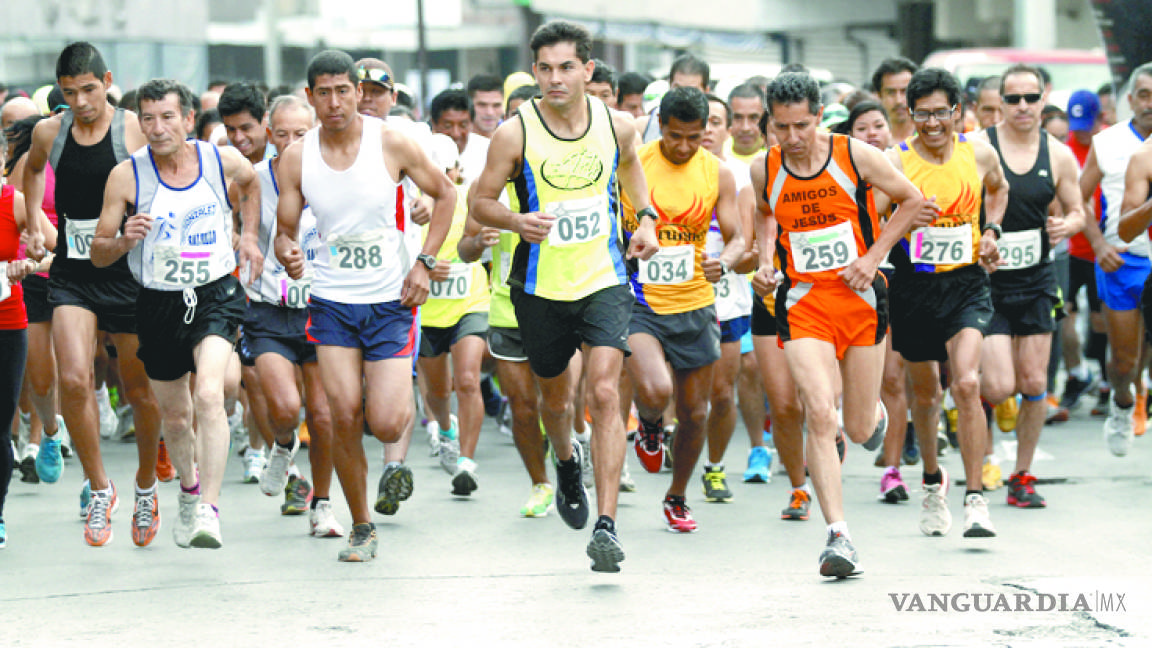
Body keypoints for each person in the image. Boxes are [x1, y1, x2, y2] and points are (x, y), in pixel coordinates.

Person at [471, 20, 659, 572]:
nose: (555, 78)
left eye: (566, 67)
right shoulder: (515, 133)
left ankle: (606, 525)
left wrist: (644, 218)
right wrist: (515, 219)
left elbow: (631, 173)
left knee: (603, 394)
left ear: (588, 71)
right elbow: (481, 202)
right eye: (545, 69)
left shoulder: (618, 125)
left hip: (603, 278)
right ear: (535, 72)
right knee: (556, 401)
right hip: (539, 287)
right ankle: (565, 460)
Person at [274, 49, 456, 562]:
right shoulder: (297, 157)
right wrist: (286, 251)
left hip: (391, 299)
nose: (334, 103)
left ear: (358, 92)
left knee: (386, 421)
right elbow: (285, 233)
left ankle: (399, 411)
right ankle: (361, 525)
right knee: (341, 414)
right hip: (332, 301)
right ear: (310, 98)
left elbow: (446, 196)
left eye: (343, 91)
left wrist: (423, 261)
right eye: (323, 93)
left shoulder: (391, 140)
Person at [751, 71, 928, 577]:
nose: (792, 139)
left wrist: (873, 256)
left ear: (819, 116)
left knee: (857, 425)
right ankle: (839, 536)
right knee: (819, 414)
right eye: (781, 128)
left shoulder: (854, 155)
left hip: (861, 299)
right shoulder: (765, 167)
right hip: (804, 300)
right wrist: (767, 261)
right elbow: (766, 214)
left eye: (801, 126)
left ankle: (870, 414)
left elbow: (911, 200)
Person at [90, 78, 260, 550]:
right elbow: (99, 253)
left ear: (188, 119)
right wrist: (124, 239)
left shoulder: (218, 159)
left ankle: (208, 508)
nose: (158, 127)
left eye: (168, 117)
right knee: (177, 416)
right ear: (139, 122)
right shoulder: (128, 176)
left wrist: (248, 237)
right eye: (148, 118)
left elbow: (251, 184)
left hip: (214, 292)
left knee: (209, 394)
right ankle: (187, 490)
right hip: (158, 300)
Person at [22, 41, 163, 548]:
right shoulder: (49, 132)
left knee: (140, 389)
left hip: (129, 274)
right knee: (75, 379)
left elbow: (168, 178)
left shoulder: (131, 129)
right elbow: (32, 170)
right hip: (73, 274)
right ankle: (100, 488)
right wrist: (37, 220)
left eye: (87, 90)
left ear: (106, 80)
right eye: (68, 93)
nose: (80, 103)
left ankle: (146, 485)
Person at [885, 67, 1009, 539]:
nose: (933, 123)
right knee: (926, 395)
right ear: (910, 114)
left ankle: (975, 498)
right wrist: (905, 222)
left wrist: (992, 232)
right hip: (914, 288)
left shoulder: (977, 150)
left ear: (958, 111)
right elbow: (873, 217)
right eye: (922, 114)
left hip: (966, 283)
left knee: (968, 381)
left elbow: (999, 189)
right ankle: (934, 483)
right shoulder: (893, 160)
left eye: (941, 113)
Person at [621, 86, 745, 530]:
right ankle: (651, 423)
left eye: (695, 137)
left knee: (696, 413)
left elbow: (736, 237)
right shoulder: (634, 162)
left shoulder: (718, 173)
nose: (685, 146)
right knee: (655, 390)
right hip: (639, 300)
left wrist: (724, 262)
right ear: (661, 127)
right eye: (676, 136)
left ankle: (677, 496)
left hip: (694, 300)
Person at [972, 64, 1085, 509]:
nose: (1023, 107)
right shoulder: (981, 148)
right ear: (1000, 102)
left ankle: (1022, 473)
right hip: (990, 280)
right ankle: (977, 434)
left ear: (1043, 100)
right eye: (1013, 98)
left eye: (1031, 98)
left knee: (1036, 379)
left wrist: (1066, 225)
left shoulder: (1057, 154)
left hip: (1037, 276)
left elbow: (1078, 209)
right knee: (1000, 386)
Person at [236, 95, 342, 536]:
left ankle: (322, 503)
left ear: (315, 129)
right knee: (285, 407)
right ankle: (282, 444)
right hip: (267, 308)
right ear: (267, 132)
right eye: (282, 134)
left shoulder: (334, 175)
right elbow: (232, 222)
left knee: (321, 414)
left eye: (301, 133)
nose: (292, 142)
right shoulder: (253, 178)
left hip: (321, 306)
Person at [1079, 63, 1152, 456]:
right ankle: (1123, 402)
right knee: (1125, 360)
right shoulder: (1107, 142)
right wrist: (1098, 244)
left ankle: (1142, 395)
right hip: (1125, 258)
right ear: (1131, 100)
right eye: (1144, 95)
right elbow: (1078, 198)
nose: (1151, 104)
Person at [0, 133, 56, 548]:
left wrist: (28, 265)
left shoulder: (15, 203)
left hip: (7, 323)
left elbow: (62, 252)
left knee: (0, 428)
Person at [1061, 90, 1106, 413]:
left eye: (1086, 125)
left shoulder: (1107, 148)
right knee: (1063, 315)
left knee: (1102, 321)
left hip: (1103, 250)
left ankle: (1106, 380)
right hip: (1071, 250)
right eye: (1076, 126)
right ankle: (1078, 374)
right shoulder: (1063, 152)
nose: (1081, 132)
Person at [429, 89, 488, 183]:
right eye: (448, 126)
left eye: (463, 125)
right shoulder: (423, 154)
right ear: (433, 124)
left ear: (472, 123)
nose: (456, 133)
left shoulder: (488, 153)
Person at [871, 57, 918, 143]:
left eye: (905, 91)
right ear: (879, 96)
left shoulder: (930, 136)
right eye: (891, 92)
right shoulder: (871, 141)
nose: (898, 100)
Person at [726, 83, 765, 164]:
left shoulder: (777, 158)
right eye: (738, 117)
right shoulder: (715, 155)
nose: (745, 128)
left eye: (753, 118)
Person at [467, 74, 504, 138]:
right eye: (482, 105)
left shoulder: (513, 141)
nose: (490, 113)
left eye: (496, 105)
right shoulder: (455, 143)